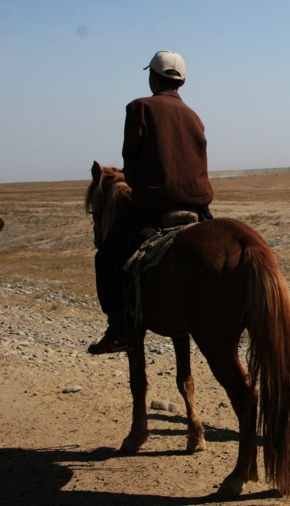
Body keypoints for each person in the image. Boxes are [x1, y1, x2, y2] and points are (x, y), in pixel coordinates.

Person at [88, 51, 214, 354]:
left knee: (105, 258)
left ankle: (118, 330)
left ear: (153, 78)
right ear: (182, 81)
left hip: (153, 204)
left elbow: (130, 163)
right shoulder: (195, 116)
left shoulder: (139, 108)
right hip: (199, 206)